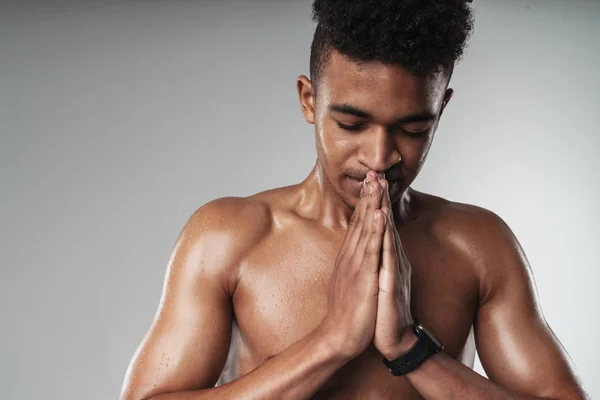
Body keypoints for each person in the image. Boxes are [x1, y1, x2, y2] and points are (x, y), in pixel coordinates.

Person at [120, 0, 589, 399]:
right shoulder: (229, 236)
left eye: (413, 129)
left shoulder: (477, 246)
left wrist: (410, 350)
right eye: (351, 124)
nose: (380, 157)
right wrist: (330, 342)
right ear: (309, 100)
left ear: (441, 109)